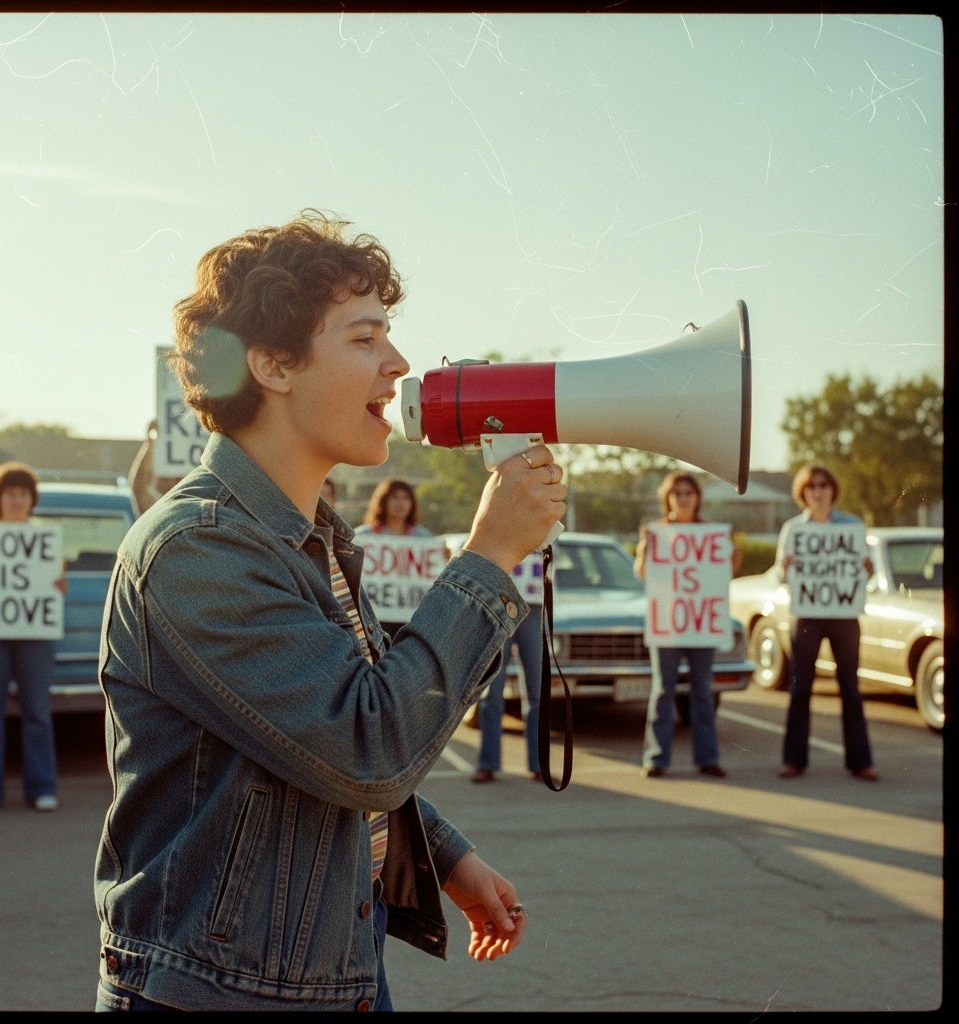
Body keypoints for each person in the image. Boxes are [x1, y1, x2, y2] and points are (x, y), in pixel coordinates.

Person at [93, 211, 566, 1012]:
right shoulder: (196, 551)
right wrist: (486, 560)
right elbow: (365, 744)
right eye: (364, 338)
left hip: (321, 977)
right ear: (274, 364)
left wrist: (442, 854)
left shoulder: (308, 540)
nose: (399, 363)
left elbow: (310, 737)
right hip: (219, 996)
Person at [0, 462, 67, 814]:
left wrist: (57, 586)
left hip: (35, 637)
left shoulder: (45, 540)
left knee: (37, 713)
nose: (18, 501)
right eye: (11, 494)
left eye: (23, 494)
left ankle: (41, 788)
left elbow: (55, 585)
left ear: (31, 500)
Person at [776, 464, 878, 781]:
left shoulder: (852, 527)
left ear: (833, 489)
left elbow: (862, 574)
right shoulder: (793, 529)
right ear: (803, 493)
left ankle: (860, 762)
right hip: (807, 615)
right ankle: (794, 760)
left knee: (850, 687)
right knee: (800, 687)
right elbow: (782, 575)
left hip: (844, 616)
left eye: (823, 485)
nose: (818, 491)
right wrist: (786, 567)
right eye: (811, 486)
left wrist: (867, 568)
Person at [634, 471, 738, 780]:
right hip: (668, 623)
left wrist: (732, 553)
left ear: (697, 498)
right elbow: (642, 574)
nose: (683, 498)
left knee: (702, 692)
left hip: (700, 625)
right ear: (667, 498)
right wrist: (643, 549)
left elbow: (722, 576)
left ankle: (707, 758)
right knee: (663, 691)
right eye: (677, 493)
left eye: (688, 493)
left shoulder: (710, 533)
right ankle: (656, 758)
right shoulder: (657, 533)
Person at [472, 554, 543, 783]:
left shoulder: (546, 518)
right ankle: (488, 763)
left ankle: (539, 763)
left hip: (534, 607)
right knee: (492, 690)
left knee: (537, 691)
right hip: (500, 605)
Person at [354, 478, 433, 640]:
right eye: (395, 498)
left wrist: (442, 556)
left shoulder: (424, 538)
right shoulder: (363, 536)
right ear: (383, 502)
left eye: (406, 498)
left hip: (410, 618)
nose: (400, 503)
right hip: (373, 617)